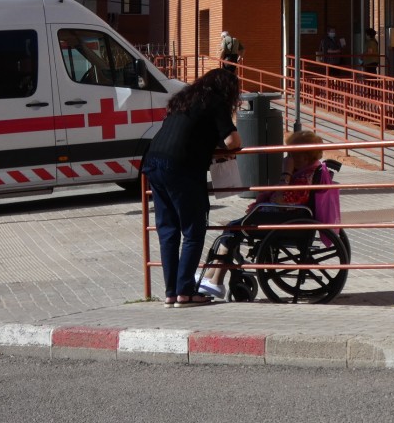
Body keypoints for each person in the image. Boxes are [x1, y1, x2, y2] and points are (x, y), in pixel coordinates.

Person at [140, 67, 242, 307]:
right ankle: (185, 292)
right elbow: (232, 141)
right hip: (181, 166)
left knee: (168, 231)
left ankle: (171, 292)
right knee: (193, 230)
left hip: (153, 162)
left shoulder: (184, 98)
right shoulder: (216, 101)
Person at [197, 130, 339, 299]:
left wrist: (286, 173)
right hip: (283, 216)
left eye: (293, 154)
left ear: (305, 157)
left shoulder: (304, 177)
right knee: (232, 228)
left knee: (234, 229)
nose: (289, 157)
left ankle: (216, 281)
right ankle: (210, 277)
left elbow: (282, 198)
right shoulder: (307, 171)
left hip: (285, 220)